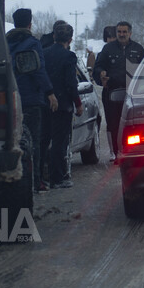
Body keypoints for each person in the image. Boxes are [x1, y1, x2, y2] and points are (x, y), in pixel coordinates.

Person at [6, 8, 58, 191]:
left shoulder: (3, 42)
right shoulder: (32, 43)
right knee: (33, 141)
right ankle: (34, 182)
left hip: (7, 98)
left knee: (10, 141)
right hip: (30, 99)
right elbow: (38, 70)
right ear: (30, 24)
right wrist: (50, 92)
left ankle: (10, 180)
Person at [91, 20, 144, 160]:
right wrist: (101, 73)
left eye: (124, 32)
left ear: (130, 33)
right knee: (113, 123)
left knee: (134, 123)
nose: (122, 34)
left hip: (133, 94)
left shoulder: (138, 49)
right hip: (112, 93)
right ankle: (115, 153)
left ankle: (133, 150)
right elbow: (97, 67)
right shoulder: (108, 49)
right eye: (119, 32)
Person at [41, 21, 83, 188]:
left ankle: (39, 176)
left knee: (43, 140)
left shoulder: (44, 53)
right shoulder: (69, 57)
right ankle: (57, 178)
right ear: (70, 40)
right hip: (63, 105)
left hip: (45, 102)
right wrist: (78, 103)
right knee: (60, 142)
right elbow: (71, 83)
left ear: (53, 36)